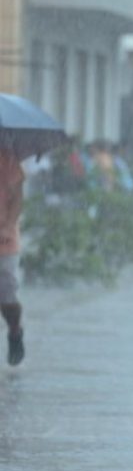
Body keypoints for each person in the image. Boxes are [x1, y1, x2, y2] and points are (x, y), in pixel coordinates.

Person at [0, 150, 26, 365]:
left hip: (4, 239)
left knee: (7, 296)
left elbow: (18, 198)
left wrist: (8, 225)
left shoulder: (8, 160)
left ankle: (14, 330)